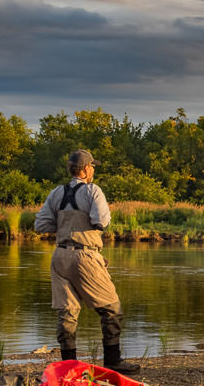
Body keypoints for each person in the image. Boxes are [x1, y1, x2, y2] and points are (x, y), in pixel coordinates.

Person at [34, 150, 139, 374]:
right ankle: (112, 360)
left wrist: (64, 227)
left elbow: (41, 224)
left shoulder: (56, 192)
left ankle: (68, 366)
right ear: (84, 170)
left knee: (67, 312)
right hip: (85, 255)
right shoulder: (93, 191)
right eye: (92, 167)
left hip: (60, 256)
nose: (93, 170)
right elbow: (100, 221)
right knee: (112, 309)